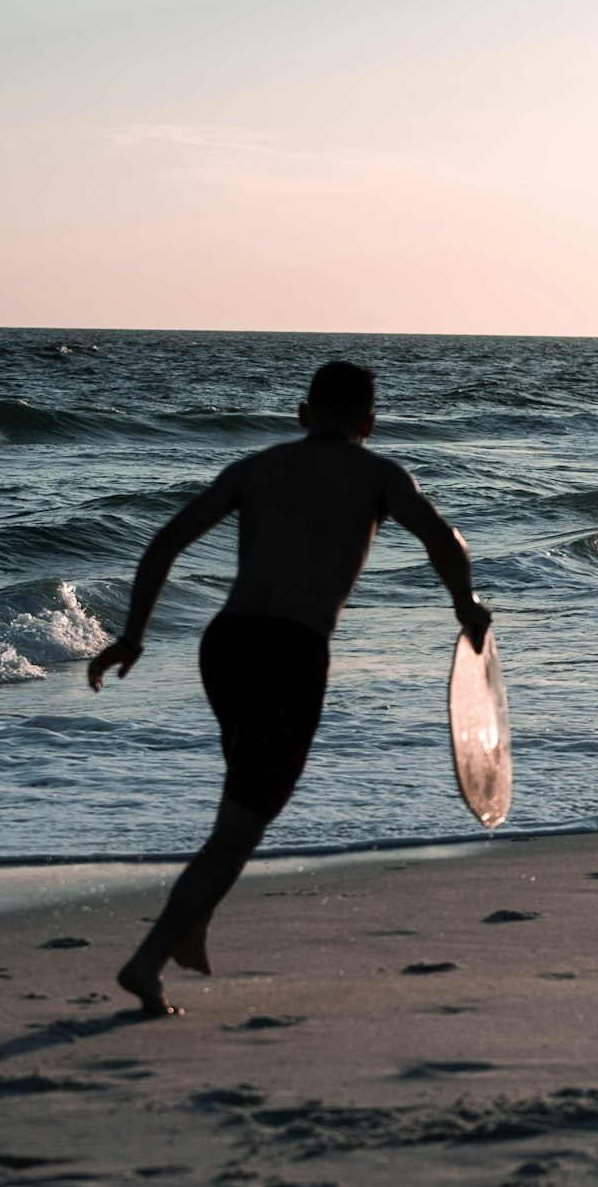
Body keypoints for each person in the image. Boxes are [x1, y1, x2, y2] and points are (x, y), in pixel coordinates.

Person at [88, 360, 491, 1015]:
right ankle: (148, 960)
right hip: (290, 651)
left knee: (240, 799)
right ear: (370, 422)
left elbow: (164, 542)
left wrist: (133, 637)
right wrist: (464, 603)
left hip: (225, 643)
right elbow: (443, 540)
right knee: (242, 824)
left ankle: (192, 924)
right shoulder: (380, 474)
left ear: (302, 414)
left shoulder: (254, 468)